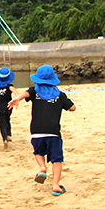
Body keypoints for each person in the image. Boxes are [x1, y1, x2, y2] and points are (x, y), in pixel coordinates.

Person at [8, 65, 76, 196]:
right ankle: (56, 185)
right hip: (53, 131)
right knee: (57, 159)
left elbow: (26, 93)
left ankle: (42, 167)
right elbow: (72, 108)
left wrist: (17, 98)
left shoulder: (34, 92)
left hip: (36, 130)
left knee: (38, 152)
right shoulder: (60, 95)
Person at [0, 67, 18, 151]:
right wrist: (16, 100)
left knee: (1, 124)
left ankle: (5, 139)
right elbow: (16, 93)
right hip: (8, 106)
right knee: (7, 120)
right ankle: (9, 134)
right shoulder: (9, 86)